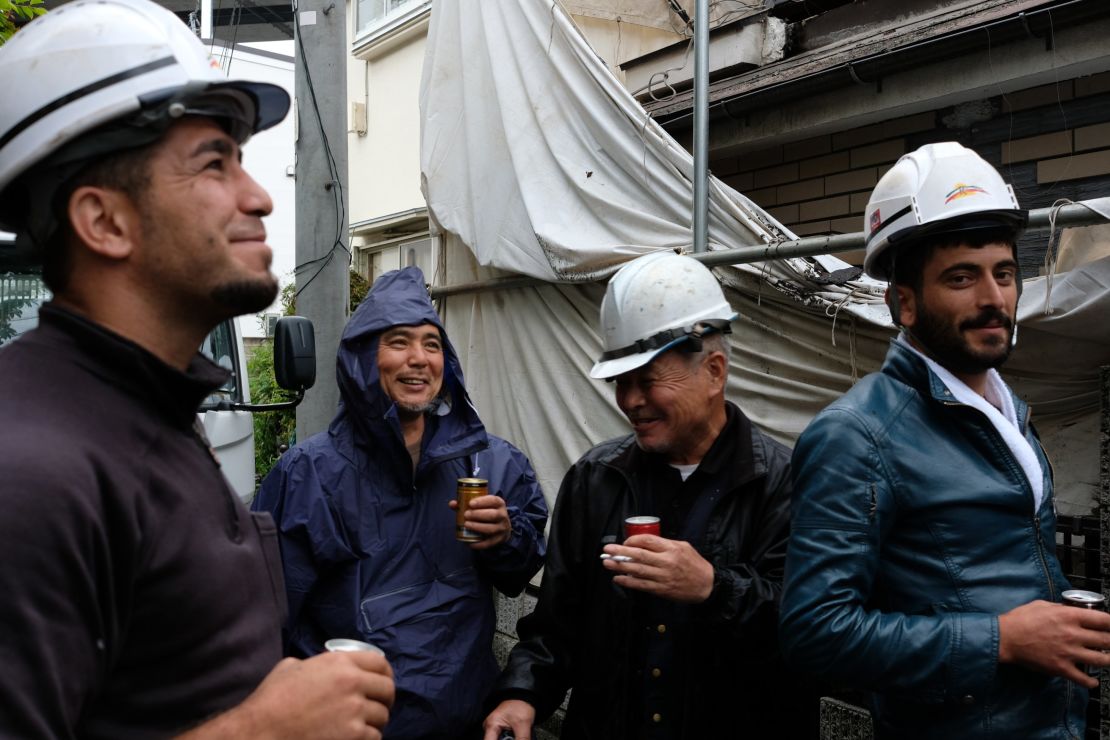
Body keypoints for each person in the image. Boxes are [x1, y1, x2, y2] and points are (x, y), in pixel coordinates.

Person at [0, 1, 395, 737]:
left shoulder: (150, 415)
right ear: (105, 221)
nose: (259, 195)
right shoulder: (28, 472)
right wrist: (262, 728)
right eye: (215, 162)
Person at [779, 141, 1110, 738]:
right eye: (962, 277)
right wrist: (1003, 640)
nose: (994, 299)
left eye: (1004, 273)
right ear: (903, 302)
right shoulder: (857, 437)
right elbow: (815, 634)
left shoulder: (1004, 411)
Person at [483, 252, 813, 739]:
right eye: (621, 382)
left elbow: (810, 632)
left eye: (648, 381)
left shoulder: (785, 483)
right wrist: (521, 693)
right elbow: (557, 623)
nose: (631, 401)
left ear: (715, 372)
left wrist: (712, 587)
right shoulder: (596, 478)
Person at [253, 265, 549, 739]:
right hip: (354, 725)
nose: (419, 359)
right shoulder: (310, 474)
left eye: (432, 345)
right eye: (398, 342)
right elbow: (264, 615)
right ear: (364, 360)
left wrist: (506, 537)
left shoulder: (491, 464)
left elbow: (520, 577)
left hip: (466, 720)